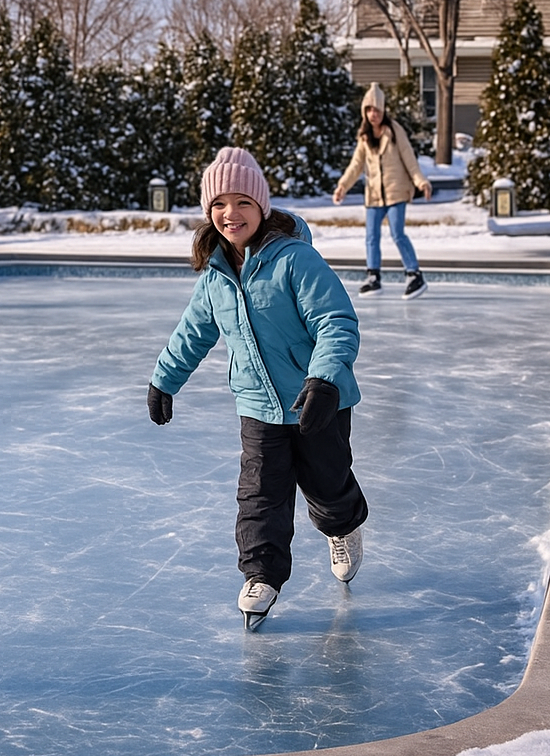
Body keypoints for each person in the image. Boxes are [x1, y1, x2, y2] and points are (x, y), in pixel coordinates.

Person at [148, 147, 367, 631]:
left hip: (316, 400)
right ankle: (261, 574)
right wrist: (165, 378)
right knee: (260, 494)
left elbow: (336, 321)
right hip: (257, 406)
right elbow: (193, 331)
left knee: (327, 484)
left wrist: (324, 379)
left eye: (243, 202)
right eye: (219, 204)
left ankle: (343, 527)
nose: (231, 213)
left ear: (262, 206)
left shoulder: (296, 260)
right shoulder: (216, 274)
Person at [332, 83, 433, 299]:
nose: (373, 114)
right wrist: (342, 186)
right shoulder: (364, 137)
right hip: (374, 195)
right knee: (371, 236)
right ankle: (373, 277)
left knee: (397, 233)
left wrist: (421, 182)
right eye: (369, 110)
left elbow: (409, 159)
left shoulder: (394, 131)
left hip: (396, 192)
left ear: (383, 110)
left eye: (376, 109)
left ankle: (414, 274)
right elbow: (356, 165)